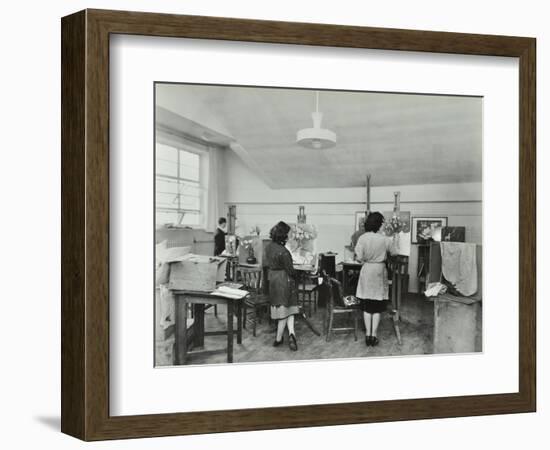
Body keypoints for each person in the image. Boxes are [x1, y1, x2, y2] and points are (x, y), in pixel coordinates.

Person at [354, 212, 397, 347]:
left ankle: (367, 336)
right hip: (379, 271)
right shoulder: (384, 239)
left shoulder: (362, 238)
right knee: (377, 307)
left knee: (367, 306)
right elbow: (395, 253)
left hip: (367, 270)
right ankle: (374, 335)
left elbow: (359, 257)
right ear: (379, 224)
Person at [265, 221, 299, 351]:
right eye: (288, 234)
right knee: (285, 310)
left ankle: (289, 335)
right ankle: (280, 338)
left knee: (287, 309)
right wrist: (298, 274)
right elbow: (290, 270)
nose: (289, 236)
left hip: (273, 279)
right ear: (283, 235)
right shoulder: (284, 251)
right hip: (284, 281)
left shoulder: (268, 247)